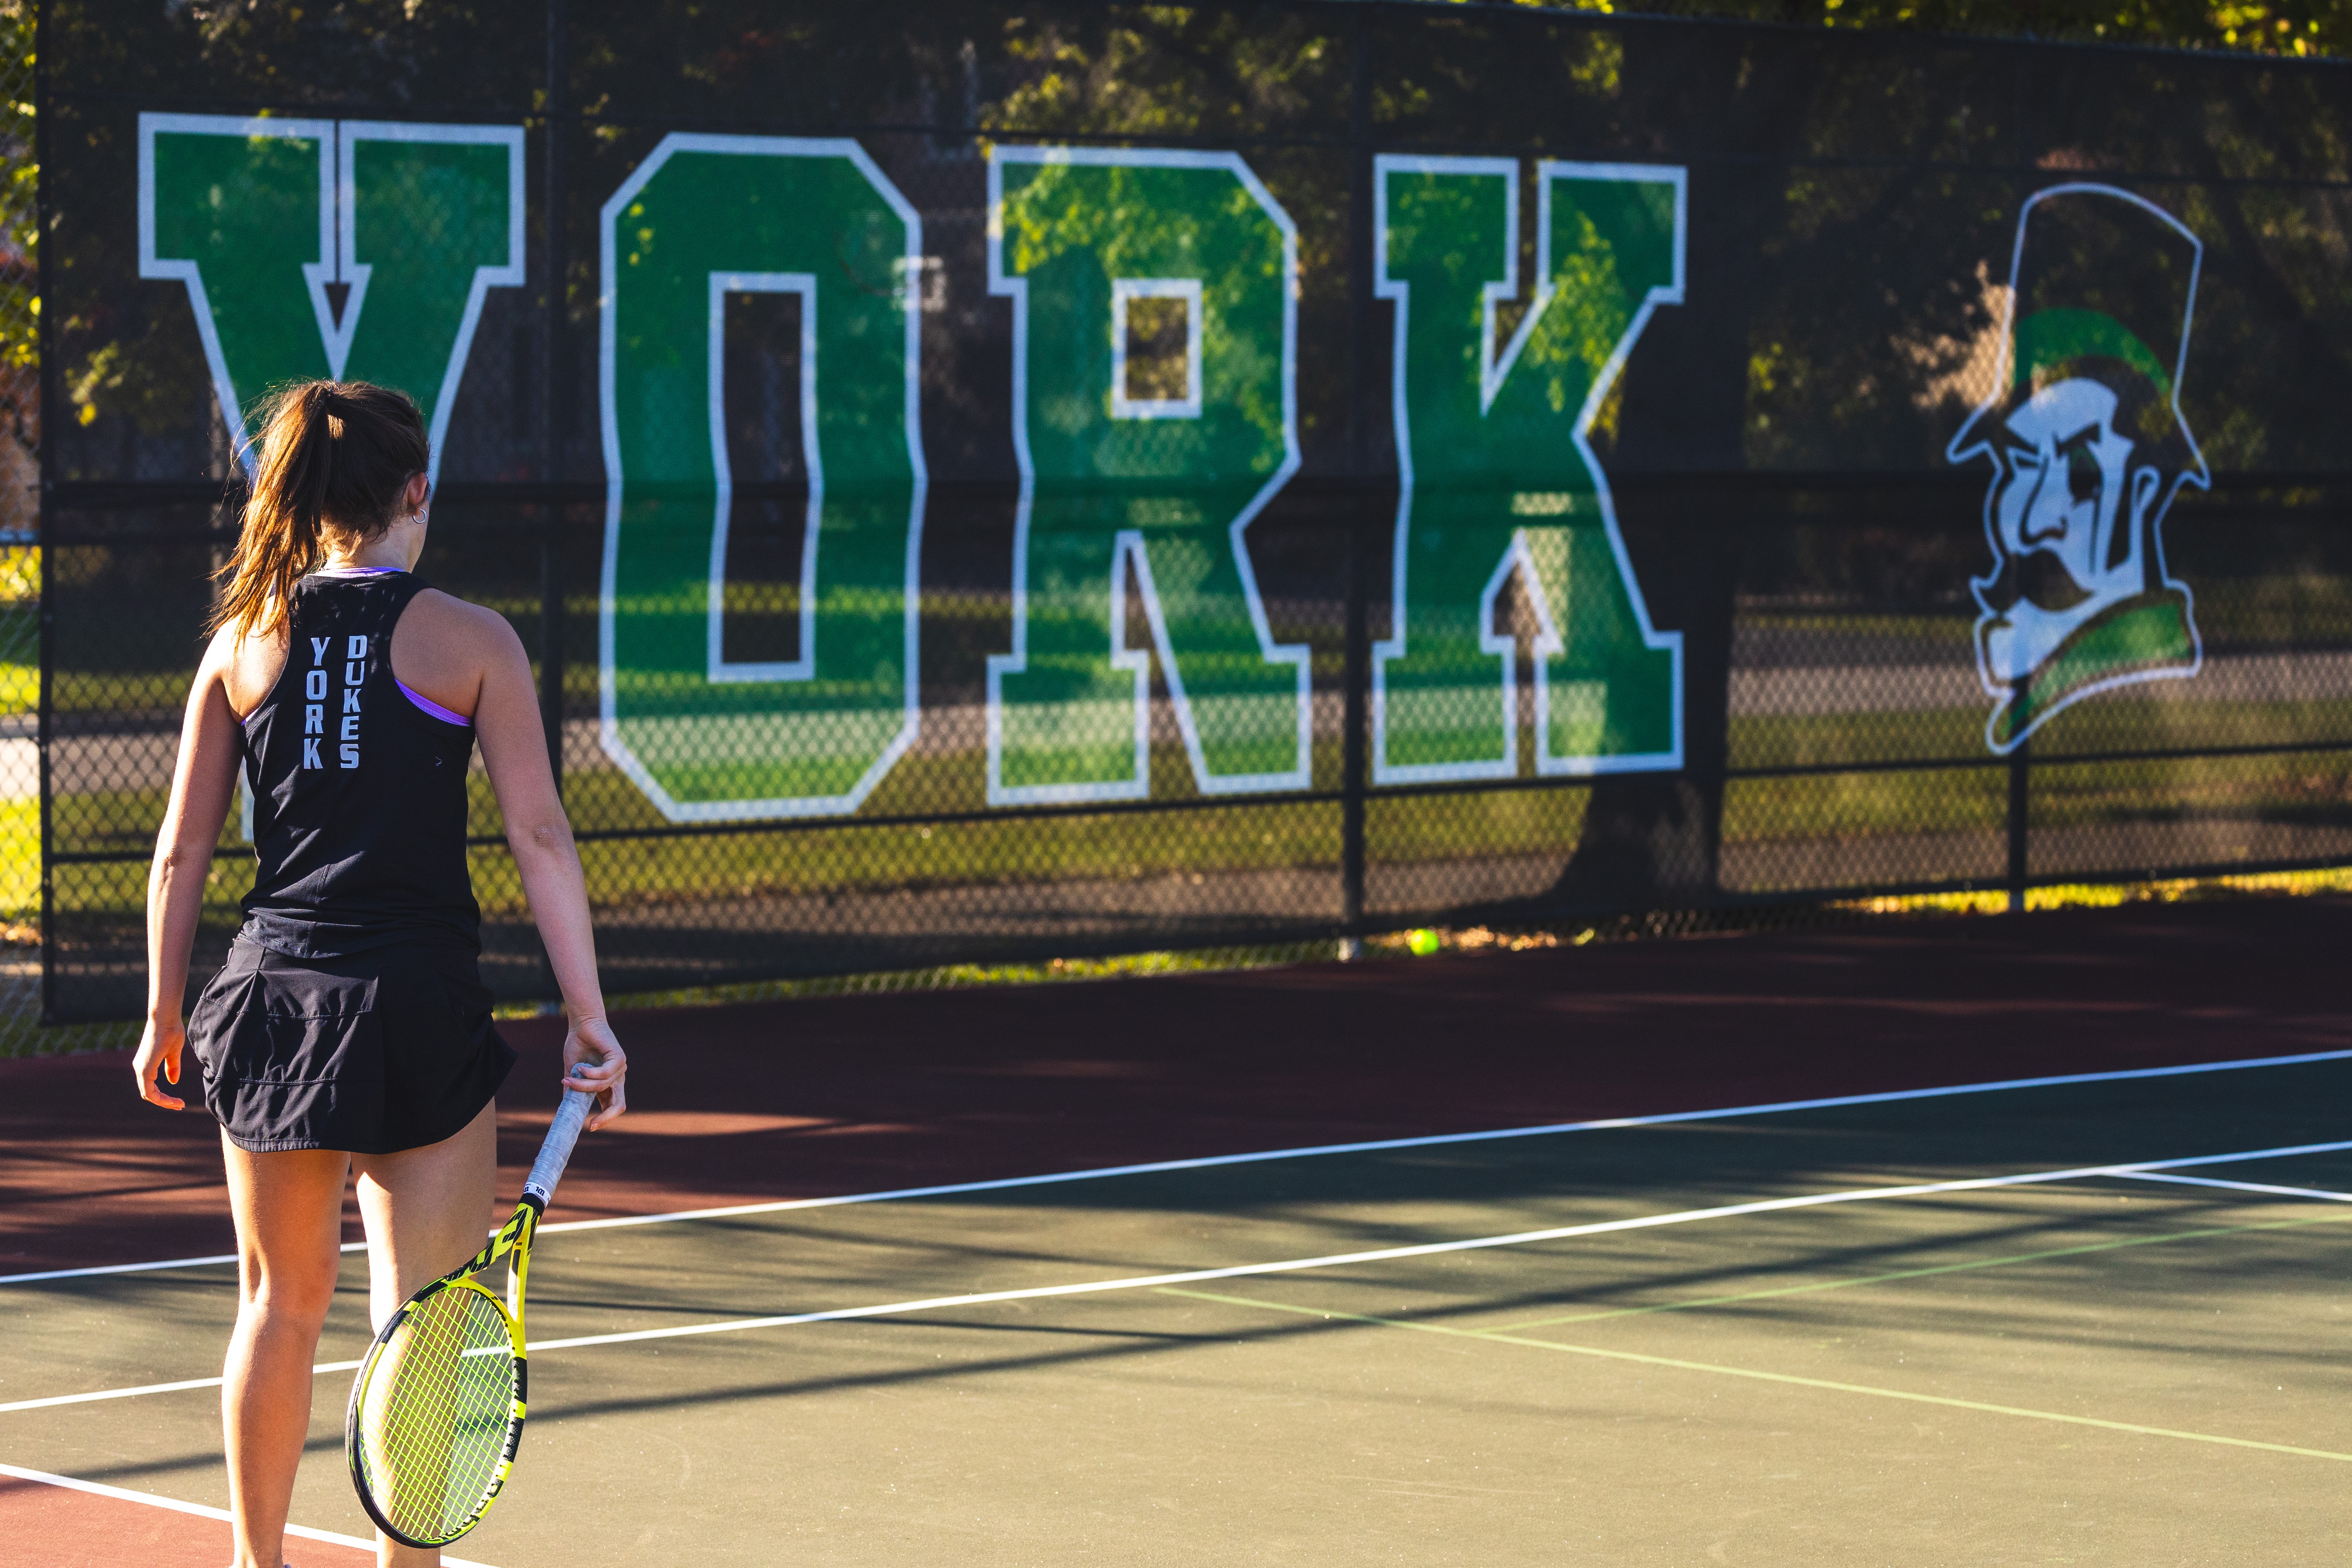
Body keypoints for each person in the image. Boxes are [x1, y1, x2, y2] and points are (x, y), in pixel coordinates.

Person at [131, 380, 627, 1568]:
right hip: (417, 1009)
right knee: (424, 1327)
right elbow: (541, 835)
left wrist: (161, 1013)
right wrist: (589, 1018)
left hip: (271, 1006)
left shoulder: (240, 643)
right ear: (418, 492)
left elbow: (179, 855)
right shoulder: (471, 639)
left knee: (276, 1308)